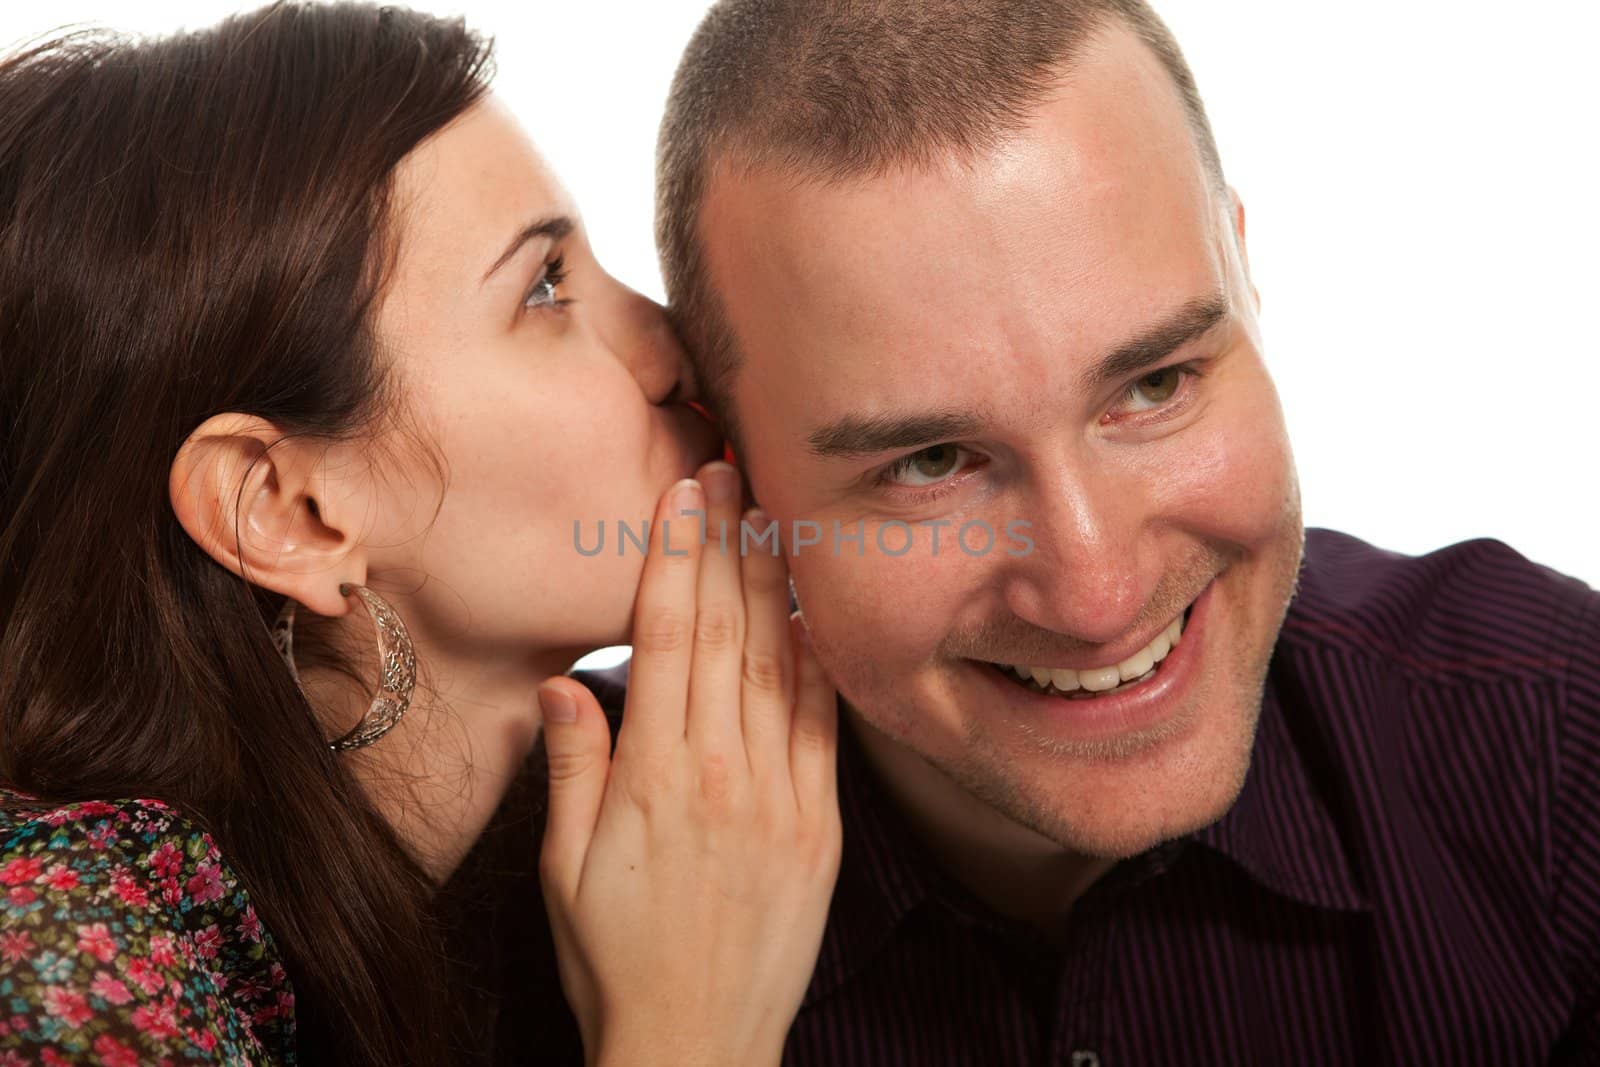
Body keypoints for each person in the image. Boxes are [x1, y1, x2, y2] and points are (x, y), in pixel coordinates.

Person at [494, 0, 1600, 1063]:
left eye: (1154, 384)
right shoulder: (514, 884)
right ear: (732, 468)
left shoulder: (1555, 749)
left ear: (1245, 275)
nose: (1097, 591)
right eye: (931, 463)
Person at [0, 4, 841, 1065]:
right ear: (288, 511)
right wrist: (690, 1030)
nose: (672, 346)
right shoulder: (53, 963)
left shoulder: (546, 865)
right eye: (544, 287)